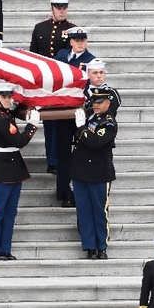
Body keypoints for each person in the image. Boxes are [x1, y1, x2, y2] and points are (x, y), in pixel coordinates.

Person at [0, 83, 40, 260]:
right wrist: (32, 126)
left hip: (13, 168)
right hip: (1, 169)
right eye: (4, 97)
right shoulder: (0, 118)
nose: (8, 100)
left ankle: (5, 248)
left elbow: (13, 114)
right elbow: (19, 141)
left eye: (10, 97)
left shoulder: (5, 114)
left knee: (10, 212)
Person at [29, 0, 76, 175]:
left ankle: (60, 158)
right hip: (46, 83)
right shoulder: (40, 28)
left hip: (64, 82)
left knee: (62, 122)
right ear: (52, 9)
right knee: (49, 123)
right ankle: (52, 159)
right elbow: (33, 55)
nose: (62, 10)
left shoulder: (72, 30)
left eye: (64, 7)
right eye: (58, 7)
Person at [68, 90, 117, 259]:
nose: (96, 105)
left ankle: (101, 246)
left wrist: (81, 128)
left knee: (99, 211)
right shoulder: (89, 117)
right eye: (94, 101)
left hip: (98, 173)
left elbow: (96, 143)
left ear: (108, 104)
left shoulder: (108, 122)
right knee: (84, 211)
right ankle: (89, 246)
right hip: (80, 171)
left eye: (100, 102)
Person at [53, 27, 96, 207]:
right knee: (62, 153)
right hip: (62, 112)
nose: (79, 43)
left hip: (80, 113)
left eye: (82, 40)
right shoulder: (61, 56)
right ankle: (63, 191)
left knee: (80, 153)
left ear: (86, 42)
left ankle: (78, 190)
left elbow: (92, 85)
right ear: (70, 41)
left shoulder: (92, 61)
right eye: (76, 40)